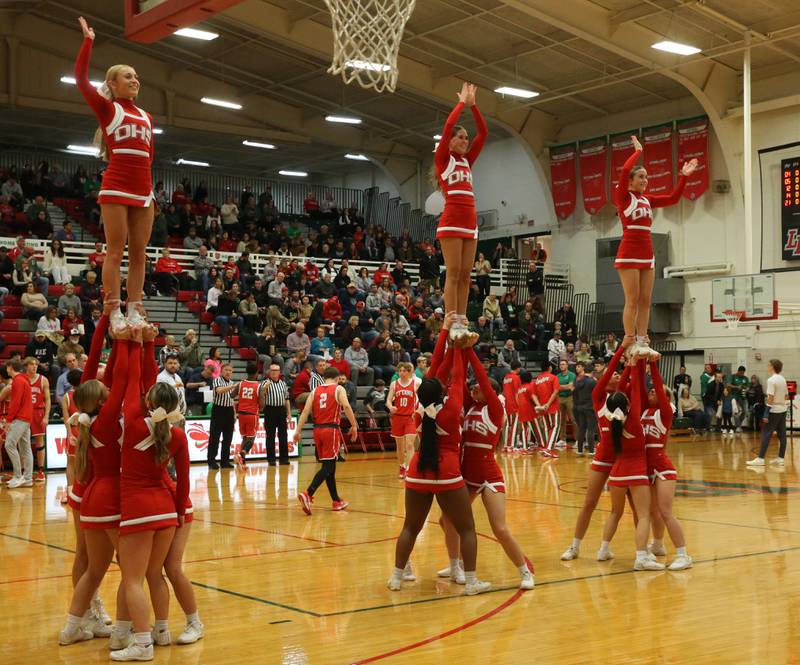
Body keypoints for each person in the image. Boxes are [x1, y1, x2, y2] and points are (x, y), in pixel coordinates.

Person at [387, 329, 491, 596]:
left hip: (418, 470)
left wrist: (445, 335)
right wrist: (458, 348)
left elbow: (435, 373)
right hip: (447, 471)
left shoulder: (419, 409)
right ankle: (470, 582)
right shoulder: (453, 408)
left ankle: (396, 578)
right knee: (467, 528)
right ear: (442, 392)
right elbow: (455, 376)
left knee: (410, 527)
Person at [113, 331, 190, 661]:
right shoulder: (177, 434)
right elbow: (183, 483)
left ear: (147, 402)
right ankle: (161, 629)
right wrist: (178, 514)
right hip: (167, 511)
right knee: (155, 574)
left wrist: (133, 344)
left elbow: (131, 379)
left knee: (132, 579)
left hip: (138, 509)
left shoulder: (131, 422)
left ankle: (142, 643)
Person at [74, 17, 155, 331]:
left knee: (139, 253)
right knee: (116, 250)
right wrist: (88, 41)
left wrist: (150, 194)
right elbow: (81, 79)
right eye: (127, 76)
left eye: (136, 76)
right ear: (112, 84)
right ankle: (114, 309)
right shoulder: (109, 110)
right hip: (117, 186)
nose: (135, 80)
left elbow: (149, 158)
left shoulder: (147, 116)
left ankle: (134, 307)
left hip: (143, 190)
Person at [438, 346, 534, 590]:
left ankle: (524, 572)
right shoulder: (471, 405)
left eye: (477, 387)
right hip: (467, 475)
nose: (472, 389)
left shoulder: (495, 408)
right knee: (446, 519)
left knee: (499, 527)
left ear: (488, 390)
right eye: (471, 388)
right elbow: (460, 381)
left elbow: (481, 377)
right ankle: (455, 563)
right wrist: (458, 349)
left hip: (489, 475)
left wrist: (469, 350)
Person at [58, 324, 127, 648]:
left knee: (87, 558)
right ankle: (88, 611)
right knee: (90, 559)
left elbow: (103, 363)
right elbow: (106, 365)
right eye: (99, 378)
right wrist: (114, 331)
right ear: (99, 393)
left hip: (84, 486)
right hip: (93, 488)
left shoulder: (82, 405)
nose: (101, 376)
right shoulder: (99, 410)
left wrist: (108, 328)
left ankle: (87, 611)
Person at [614, 135, 697, 354]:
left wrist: (683, 177)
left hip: (647, 252)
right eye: (641, 176)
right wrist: (638, 152)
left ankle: (642, 339)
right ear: (631, 181)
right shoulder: (623, 196)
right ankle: (629, 338)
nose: (645, 180)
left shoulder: (647, 199)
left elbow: (673, 198)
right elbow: (624, 171)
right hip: (629, 252)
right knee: (632, 299)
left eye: (647, 177)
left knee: (646, 300)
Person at [561, 342, 630, 561]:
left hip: (623, 460)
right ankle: (574, 546)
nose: (617, 376)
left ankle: (636, 548)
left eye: (620, 375)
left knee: (633, 507)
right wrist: (621, 350)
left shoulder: (624, 398)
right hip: (602, 459)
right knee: (589, 503)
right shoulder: (599, 397)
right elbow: (608, 373)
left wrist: (632, 360)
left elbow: (629, 377)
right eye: (614, 375)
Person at [599, 355, 664, 571]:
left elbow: (630, 392)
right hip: (636, 473)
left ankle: (603, 549)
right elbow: (637, 388)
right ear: (627, 404)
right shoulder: (634, 418)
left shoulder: (609, 421)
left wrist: (630, 365)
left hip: (616, 474)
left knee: (614, 513)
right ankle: (641, 557)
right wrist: (636, 364)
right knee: (644, 515)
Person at [433, 82, 487, 339]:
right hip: (452, 220)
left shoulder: (467, 160)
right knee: (453, 273)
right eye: (461, 137)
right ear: (451, 141)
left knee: (467, 275)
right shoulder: (444, 159)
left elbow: (484, 134)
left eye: (467, 137)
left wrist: (474, 107)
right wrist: (461, 104)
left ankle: (462, 319)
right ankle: (450, 317)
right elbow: (445, 128)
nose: (465, 141)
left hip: (471, 222)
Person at [641, 358, 692, 571]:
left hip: (662, 466)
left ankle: (683, 554)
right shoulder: (645, 411)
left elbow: (658, 389)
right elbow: (640, 389)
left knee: (665, 511)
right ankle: (659, 544)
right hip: (647, 467)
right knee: (653, 511)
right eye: (651, 391)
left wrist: (652, 364)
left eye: (656, 391)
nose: (651, 392)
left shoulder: (665, 411)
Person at [294, 367, 358, 514]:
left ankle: (336, 500)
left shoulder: (315, 391)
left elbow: (305, 412)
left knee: (330, 467)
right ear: (337, 378)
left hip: (317, 430)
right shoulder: (339, 389)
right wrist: (354, 425)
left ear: (324, 378)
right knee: (328, 468)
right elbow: (347, 406)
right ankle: (308, 493)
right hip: (331, 430)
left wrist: (298, 431)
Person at [747, 359, 789, 467]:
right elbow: (786, 396)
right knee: (782, 434)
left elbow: (770, 398)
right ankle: (781, 458)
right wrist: (784, 405)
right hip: (783, 409)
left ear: (772, 367)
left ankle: (760, 459)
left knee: (766, 433)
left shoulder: (771, 380)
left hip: (774, 410)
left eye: (769, 364)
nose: (767, 366)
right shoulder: (783, 379)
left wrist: (766, 413)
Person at [387, 362, 421, 480]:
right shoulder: (394, 384)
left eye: (404, 371)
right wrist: (390, 407)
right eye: (400, 371)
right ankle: (402, 466)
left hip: (410, 418)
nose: (401, 373)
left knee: (410, 444)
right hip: (397, 417)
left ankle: (409, 469)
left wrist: (417, 411)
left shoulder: (416, 383)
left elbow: (420, 399)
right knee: (400, 446)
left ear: (409, 372)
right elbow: (388, 400)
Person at [2, 359, 33, 488]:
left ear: (10, 367)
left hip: (20, 418)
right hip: (26, 417)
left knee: (9, 444)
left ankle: (18, 476)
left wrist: (9, 420)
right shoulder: (23, 379)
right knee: (25, 448)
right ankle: (28, 478)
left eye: (7, 367)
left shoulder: (18, 381)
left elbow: (15, 402)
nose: (6, 369)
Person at [208, 363, 238, 469]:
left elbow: (232, 400)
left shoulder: (231, 382)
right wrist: (232, 386)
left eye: (230, 370)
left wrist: (234, 414)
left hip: (229, 411)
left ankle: (225, 461)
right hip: (218, 410)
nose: (228, 372)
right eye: (226, 370)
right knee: (214, 438)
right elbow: (219, 390)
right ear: (221, 371)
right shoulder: (217, 380)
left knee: (228, 438)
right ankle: (211, 461)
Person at [24, 357, 50, 482]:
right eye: (31, 364)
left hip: (38, 412)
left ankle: (40, 471)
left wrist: (46, 416)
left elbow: (48, 400)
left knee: (40, 441)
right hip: (24, 413)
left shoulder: (43, 380)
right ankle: (25, 471)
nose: (34, 367)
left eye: (36, 365)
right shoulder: (21, 379)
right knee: (23, 443)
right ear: (26, 366)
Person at [262, 363, 291, 466]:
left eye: (276, 370)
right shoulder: (265, 383)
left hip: (281, 410)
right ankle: (271, 459)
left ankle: (284, 459)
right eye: (272, 370)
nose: (274, 372)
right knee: (270, 436)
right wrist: (264, 389)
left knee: (283, 436)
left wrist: (289, 413)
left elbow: (287, 399)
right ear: (269, 372)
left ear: (279, 372)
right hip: (270, 410)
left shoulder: (283, 384)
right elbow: (260, 397)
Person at [235, 363, 262, 467]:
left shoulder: (241, 383)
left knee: (245, 438)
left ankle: (242, 461)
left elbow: (232, 395)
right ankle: (243, 453)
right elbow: (262, 405)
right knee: (251, 439)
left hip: (241, 414)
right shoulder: (258, 386)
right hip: (252, 414)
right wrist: (263, 392)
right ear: (256, 373)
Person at [532, 362, 561, 458]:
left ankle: (545, 447)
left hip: (542, 408)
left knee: (547, 428)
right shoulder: (553, 377)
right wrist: (548, 404)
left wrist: (539, 405)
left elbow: (534, 395)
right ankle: (549, 449)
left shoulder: (537, 380)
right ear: (549, 368)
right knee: (555, 426)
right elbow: (555, 391)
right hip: (552, 406)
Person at [572, 362, 597, 456]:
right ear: (592, 372)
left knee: (581, 429)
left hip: (580, 407)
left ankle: (580, 450)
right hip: (590, 407)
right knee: (591, 429)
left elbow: (574, 393)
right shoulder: (592, 381)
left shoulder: (578, 381)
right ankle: (591, 451)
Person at [501, 361, 522, 451]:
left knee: (508, 425)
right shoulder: (516, 378)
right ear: (518, 368)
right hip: (514, 404)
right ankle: (511, 445)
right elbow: (517, 393)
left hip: (507, 404)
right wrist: (519, 405)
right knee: (514, 425)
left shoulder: (506, 377)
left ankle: (506, 445)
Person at [556, 359, 575, 447]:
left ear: (567, 366)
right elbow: (556, 388)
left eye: (563, 364)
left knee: (573, 419)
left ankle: (578, 439)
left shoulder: (571, 375)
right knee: (561, 420)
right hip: (560, 398)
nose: (562, 366)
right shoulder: (557, 376)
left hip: (569, 398)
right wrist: (564, 387)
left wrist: (560, 387)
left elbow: (570, 386)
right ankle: (562, 439)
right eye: (560, 364)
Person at [729, 365, 750, 431]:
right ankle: (738, 427)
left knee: (744, 412)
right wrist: (736, 387)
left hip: (742, 397)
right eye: (741, 373)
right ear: (738, 371)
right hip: (734, 397)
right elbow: (728, 384)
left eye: (743, 373)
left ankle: (738, 424)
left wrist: (746, 389)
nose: (742, 374)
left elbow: (748, 387)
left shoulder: (745, 378)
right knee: (736, 411)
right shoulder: (733, 376)